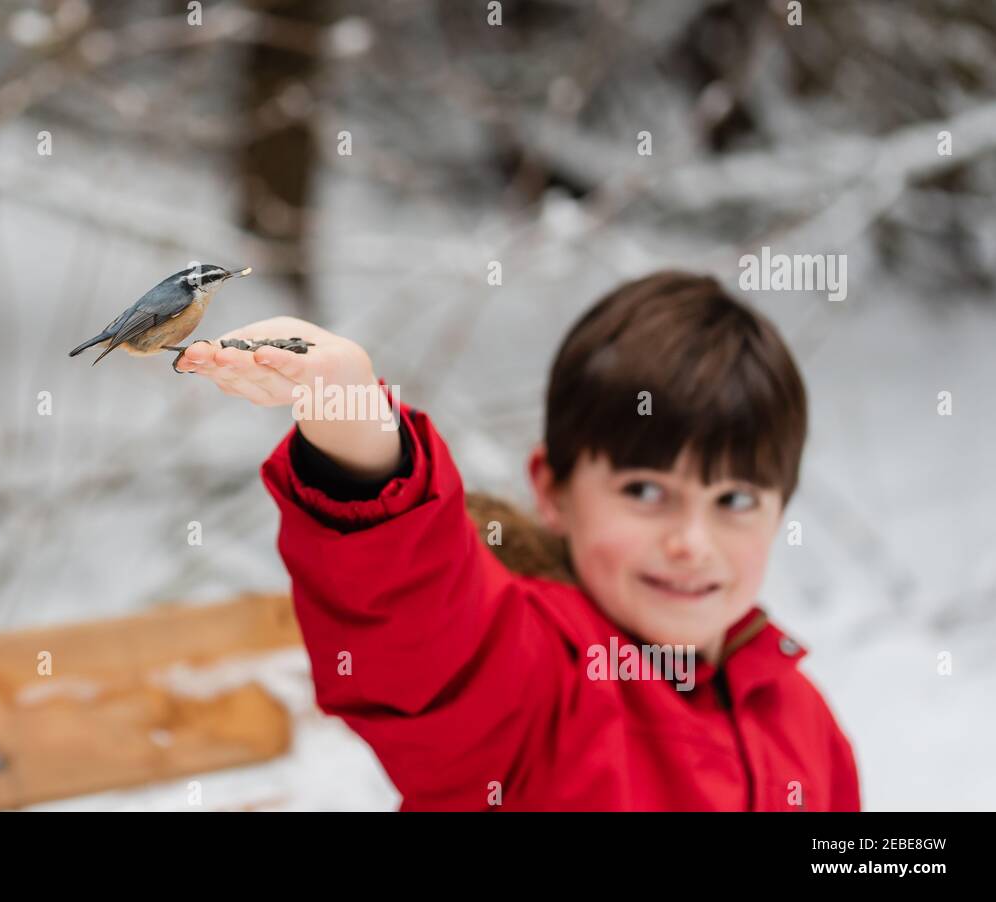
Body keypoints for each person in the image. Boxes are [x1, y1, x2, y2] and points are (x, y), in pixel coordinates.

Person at [177, 270, 861, 811]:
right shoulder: (535, 677)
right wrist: (355, 430)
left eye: (734, 501)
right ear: (553, 489)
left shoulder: (799, 718)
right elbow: (420, 632)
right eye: (646, 492)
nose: (691, 542)